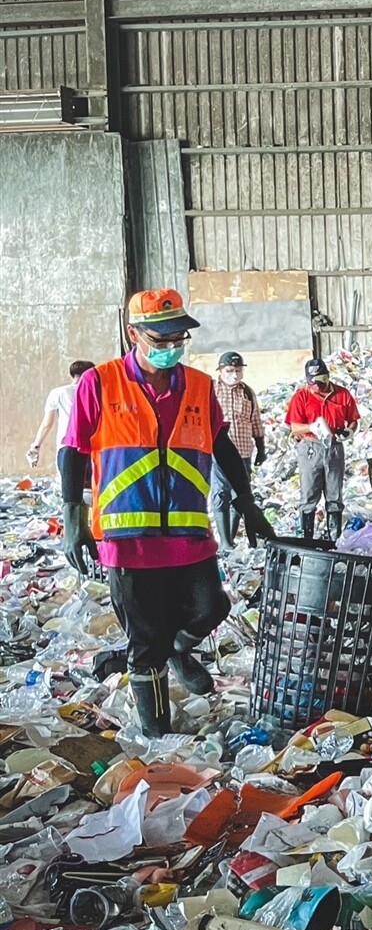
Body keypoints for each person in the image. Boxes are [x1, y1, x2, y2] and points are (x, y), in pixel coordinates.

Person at [58, 290, 274, 735]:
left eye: (179, 335)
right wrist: (72, 522)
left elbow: (222, 447)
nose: (172, 344)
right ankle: (162, 740)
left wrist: (249, 504)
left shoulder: (198, 385)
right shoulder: (99, 383)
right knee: (145, 648)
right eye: (161, 336)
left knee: (210, 608)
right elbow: (72, 453)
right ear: (133, 333)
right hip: (128, 541)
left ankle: (180, 649)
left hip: (188, 535)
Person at [285, 358, 360, 540]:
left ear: (327, 377)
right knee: (309, 494)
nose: (315, 387)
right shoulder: (301, 397)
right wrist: (311, 427)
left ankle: (334, 537)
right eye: (312, 383)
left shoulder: (342, 395)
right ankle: (307, 537)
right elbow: (295, 427)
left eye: (319, 382)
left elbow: (353, 420)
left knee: (334, 494)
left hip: (334, 447)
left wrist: (349, 431)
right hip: (311, 447)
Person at [212, 351, 266, 551]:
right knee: (220, 494)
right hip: (219, 453)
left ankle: (232, 539)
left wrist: (261, 448)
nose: (234, 374)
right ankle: (225, 542)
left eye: (238, 370)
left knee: (241, 496)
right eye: (230, 370)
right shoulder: (212, 390)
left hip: (243, 452)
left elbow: (255, 421)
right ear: (220, 371)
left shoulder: (247, 392)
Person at [28, 360, 94, 468]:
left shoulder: (57, 393)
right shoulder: (95, 392)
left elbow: (47, 424)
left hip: (66, 446)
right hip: (91, 447)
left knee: (67, 483)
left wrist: (36, 446)